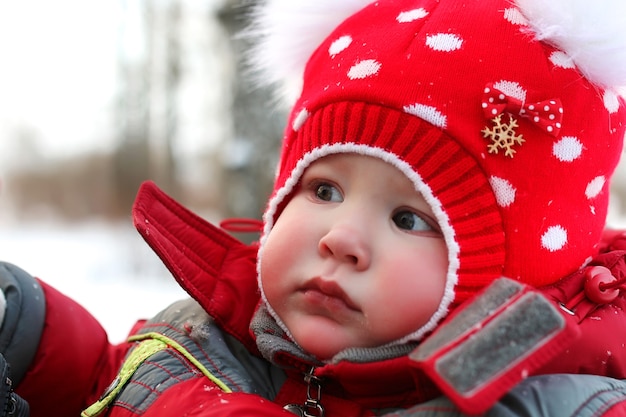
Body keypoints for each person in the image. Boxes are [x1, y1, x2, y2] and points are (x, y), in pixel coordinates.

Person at [2, 0, 626, 415]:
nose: (340, 238)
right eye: (324, 190)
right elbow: (105, 386)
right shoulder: (219, 336)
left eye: (410, 219)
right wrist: (24, 331)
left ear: (511, 277)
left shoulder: (566, 402)